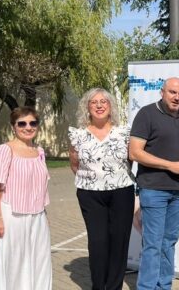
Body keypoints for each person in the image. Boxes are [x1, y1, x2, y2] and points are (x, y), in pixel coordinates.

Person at [129, 77, 179, 290]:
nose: (177, 97)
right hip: (153, 189)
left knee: (168, 241)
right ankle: (147, 287)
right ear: (162, 92)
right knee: (153, 243)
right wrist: (171, 165)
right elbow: (134, 152)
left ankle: (163, 286)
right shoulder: (146, 114)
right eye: (172, 92)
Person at [68, 88, 135, 290]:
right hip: (90, 194)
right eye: (94, 102)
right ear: (87, 107)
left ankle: (114, 286)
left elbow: (130, 161)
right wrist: (93, 180)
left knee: (119, 241)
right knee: (98, 242)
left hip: (121, 192)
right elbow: (74, 164)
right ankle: (99, 286)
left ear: (110, 106)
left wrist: (114, 178)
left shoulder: (124, 132)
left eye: (103, 101)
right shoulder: (77, 134)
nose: (99, 105)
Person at [0, 106, 51, 290]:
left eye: (33, 123)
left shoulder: (39, 151)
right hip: (11, 216)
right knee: (13, 264)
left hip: (37, 217)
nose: (28, 127)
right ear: (13, 126)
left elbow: (40, 186)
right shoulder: (4, 150)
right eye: (22, 123)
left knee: (39, 263)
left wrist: (44, 216)